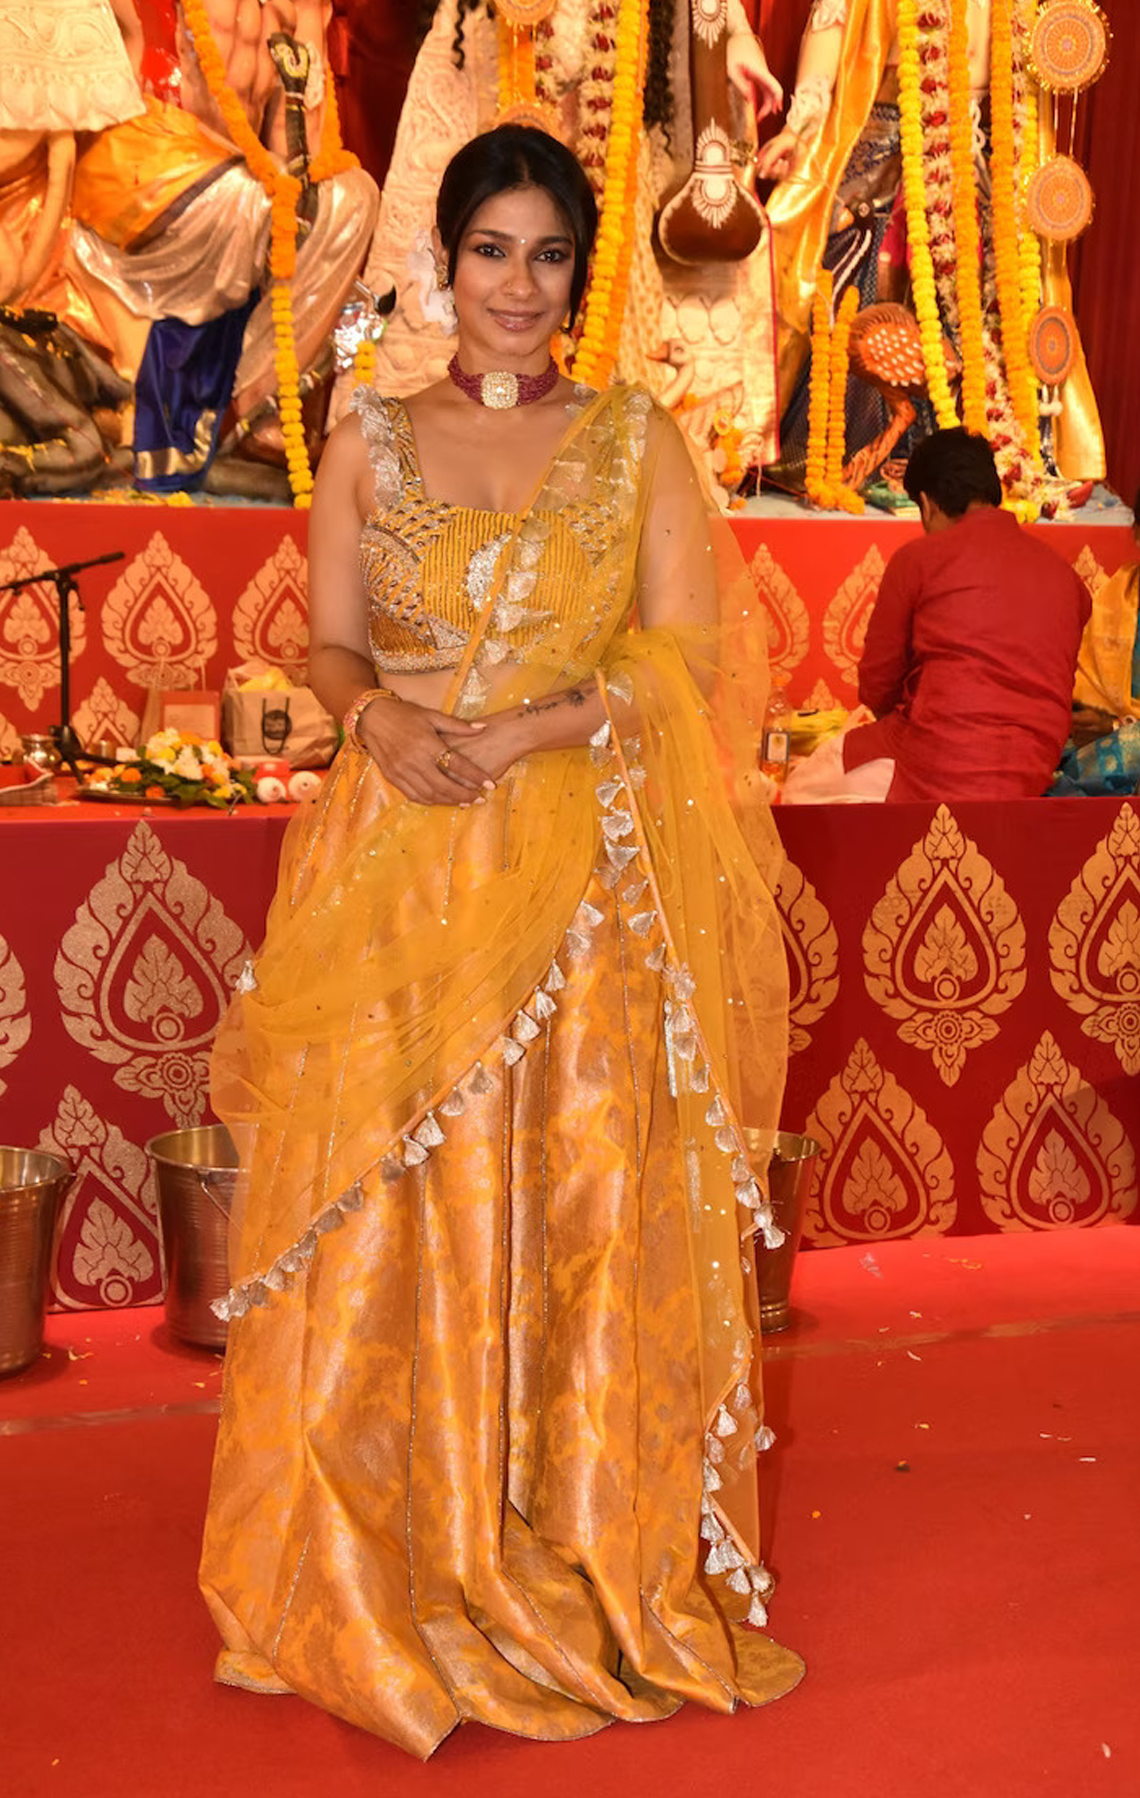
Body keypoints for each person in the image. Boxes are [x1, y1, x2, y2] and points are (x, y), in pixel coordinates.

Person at [199, 122, 802, 1757]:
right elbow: (324, 644)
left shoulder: (636, 442)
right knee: (390, 1204)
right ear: (441, 262)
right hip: (395, 862)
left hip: (583, 878)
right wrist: (377, 717)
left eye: (548, 256)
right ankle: (389, 1549)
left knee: (581, 1206)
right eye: (490, 252)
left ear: (574, 273)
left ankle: (573, 1540)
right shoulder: (368, 438)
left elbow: (694, 660)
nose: (517, 288)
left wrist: (546, 727)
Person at [346, 0, 785, 498]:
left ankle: (600, 466)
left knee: (608, 316)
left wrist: (735, 35)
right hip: (496, 88)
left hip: (615, 125)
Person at [783, 427, 1091, 804]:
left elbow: (878, 686)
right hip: (1031, 771)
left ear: (926, 504)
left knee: (800, 788)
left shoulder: (919, 560)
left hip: (934, 762)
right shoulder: (1066, 578)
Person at [1056, 492, 1140, 795]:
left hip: (1128, 739)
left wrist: (1118, 726)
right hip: (1102, 728)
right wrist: (1088, 718)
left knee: (1126, 752)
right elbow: (1084, 679)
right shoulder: (1119, 593)